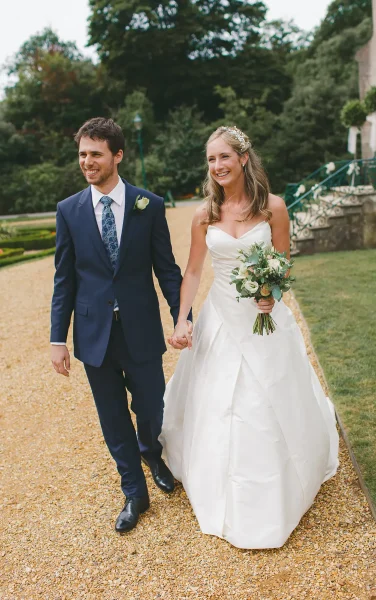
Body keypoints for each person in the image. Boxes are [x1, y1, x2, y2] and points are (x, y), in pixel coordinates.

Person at [160, 126, 339, 549]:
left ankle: (275, 489)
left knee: (265, 399)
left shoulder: (273, 208)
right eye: (210, 160)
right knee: (221, 402)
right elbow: (193, 272)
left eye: (224, 157)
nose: (217, 166)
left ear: (243, 158)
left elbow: (283, 265)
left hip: (265, 322)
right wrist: (182, 319)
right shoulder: (204, 214)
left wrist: (270, 293)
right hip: (220, 320)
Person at [50, 117, 191, 533]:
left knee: (151, 406)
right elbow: (64, 279)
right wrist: (57, 338)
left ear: (117, 155)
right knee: (112, 416)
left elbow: (167, 269)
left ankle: (151, 451)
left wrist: (181, 317)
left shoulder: (150, 205)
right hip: (94, 334)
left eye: (95, 153)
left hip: (141, 328)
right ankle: (134, 491)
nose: (87, 162)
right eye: (82, 154)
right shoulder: (68, 211)